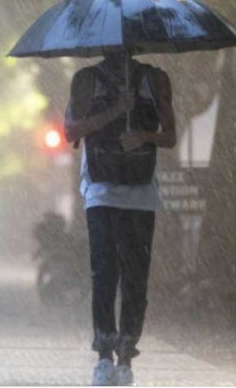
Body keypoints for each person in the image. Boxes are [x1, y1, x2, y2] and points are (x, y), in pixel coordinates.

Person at [64, 51, 177, 386]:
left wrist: (143, 136)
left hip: (141, 193)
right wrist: (114, 112)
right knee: (104, 272)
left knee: (135, 277)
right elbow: (70, 131)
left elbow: (170, 136)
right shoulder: (86, 80)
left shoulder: (155, 79)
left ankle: (126, 356)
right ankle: (103, 355)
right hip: (100, 190)